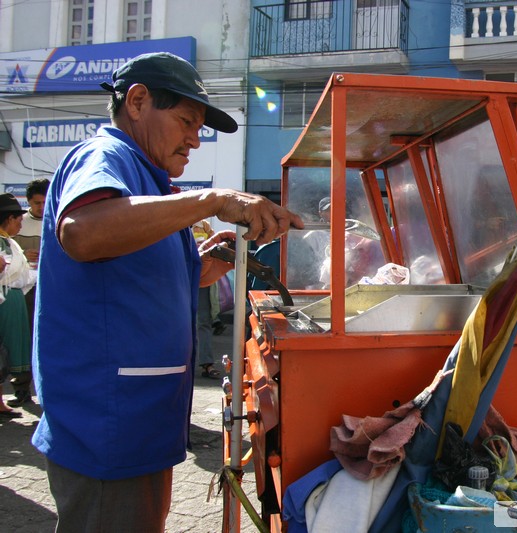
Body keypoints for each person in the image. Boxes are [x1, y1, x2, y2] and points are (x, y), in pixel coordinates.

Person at [31, 52, 303, 531]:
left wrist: (208, 260)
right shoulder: (106, 156)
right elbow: (83, 233)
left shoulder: (151, 183)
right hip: (107, 422)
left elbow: (151, 276)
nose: (195, 140)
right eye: (186, 122)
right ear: (137, 102)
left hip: (140, 416)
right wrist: (213, 200)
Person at [8, 178, 50, 407]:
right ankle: (21, 387)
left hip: (51, 289)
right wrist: (25, 253)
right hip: (23, 291)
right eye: (36, 203)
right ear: (28, 201)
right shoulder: (16, 223)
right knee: (22, 339)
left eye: (45, 202)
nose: (41, 207)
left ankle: (50, 391)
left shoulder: (58, 220)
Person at [0, 193, 36, 416]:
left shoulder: (9, 242)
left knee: (5, 352)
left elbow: (22, 276)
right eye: (18, 219)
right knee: (2, 350)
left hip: (12, 299)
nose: (21, 223)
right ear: (8, 218)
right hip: (3, 299)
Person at [192, 219, 222, 379]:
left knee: (203, 321)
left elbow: (213, 245)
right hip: (177, 277)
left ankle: (207, 363)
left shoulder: (203, 224)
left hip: (200, 278)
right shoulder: (172, 221)